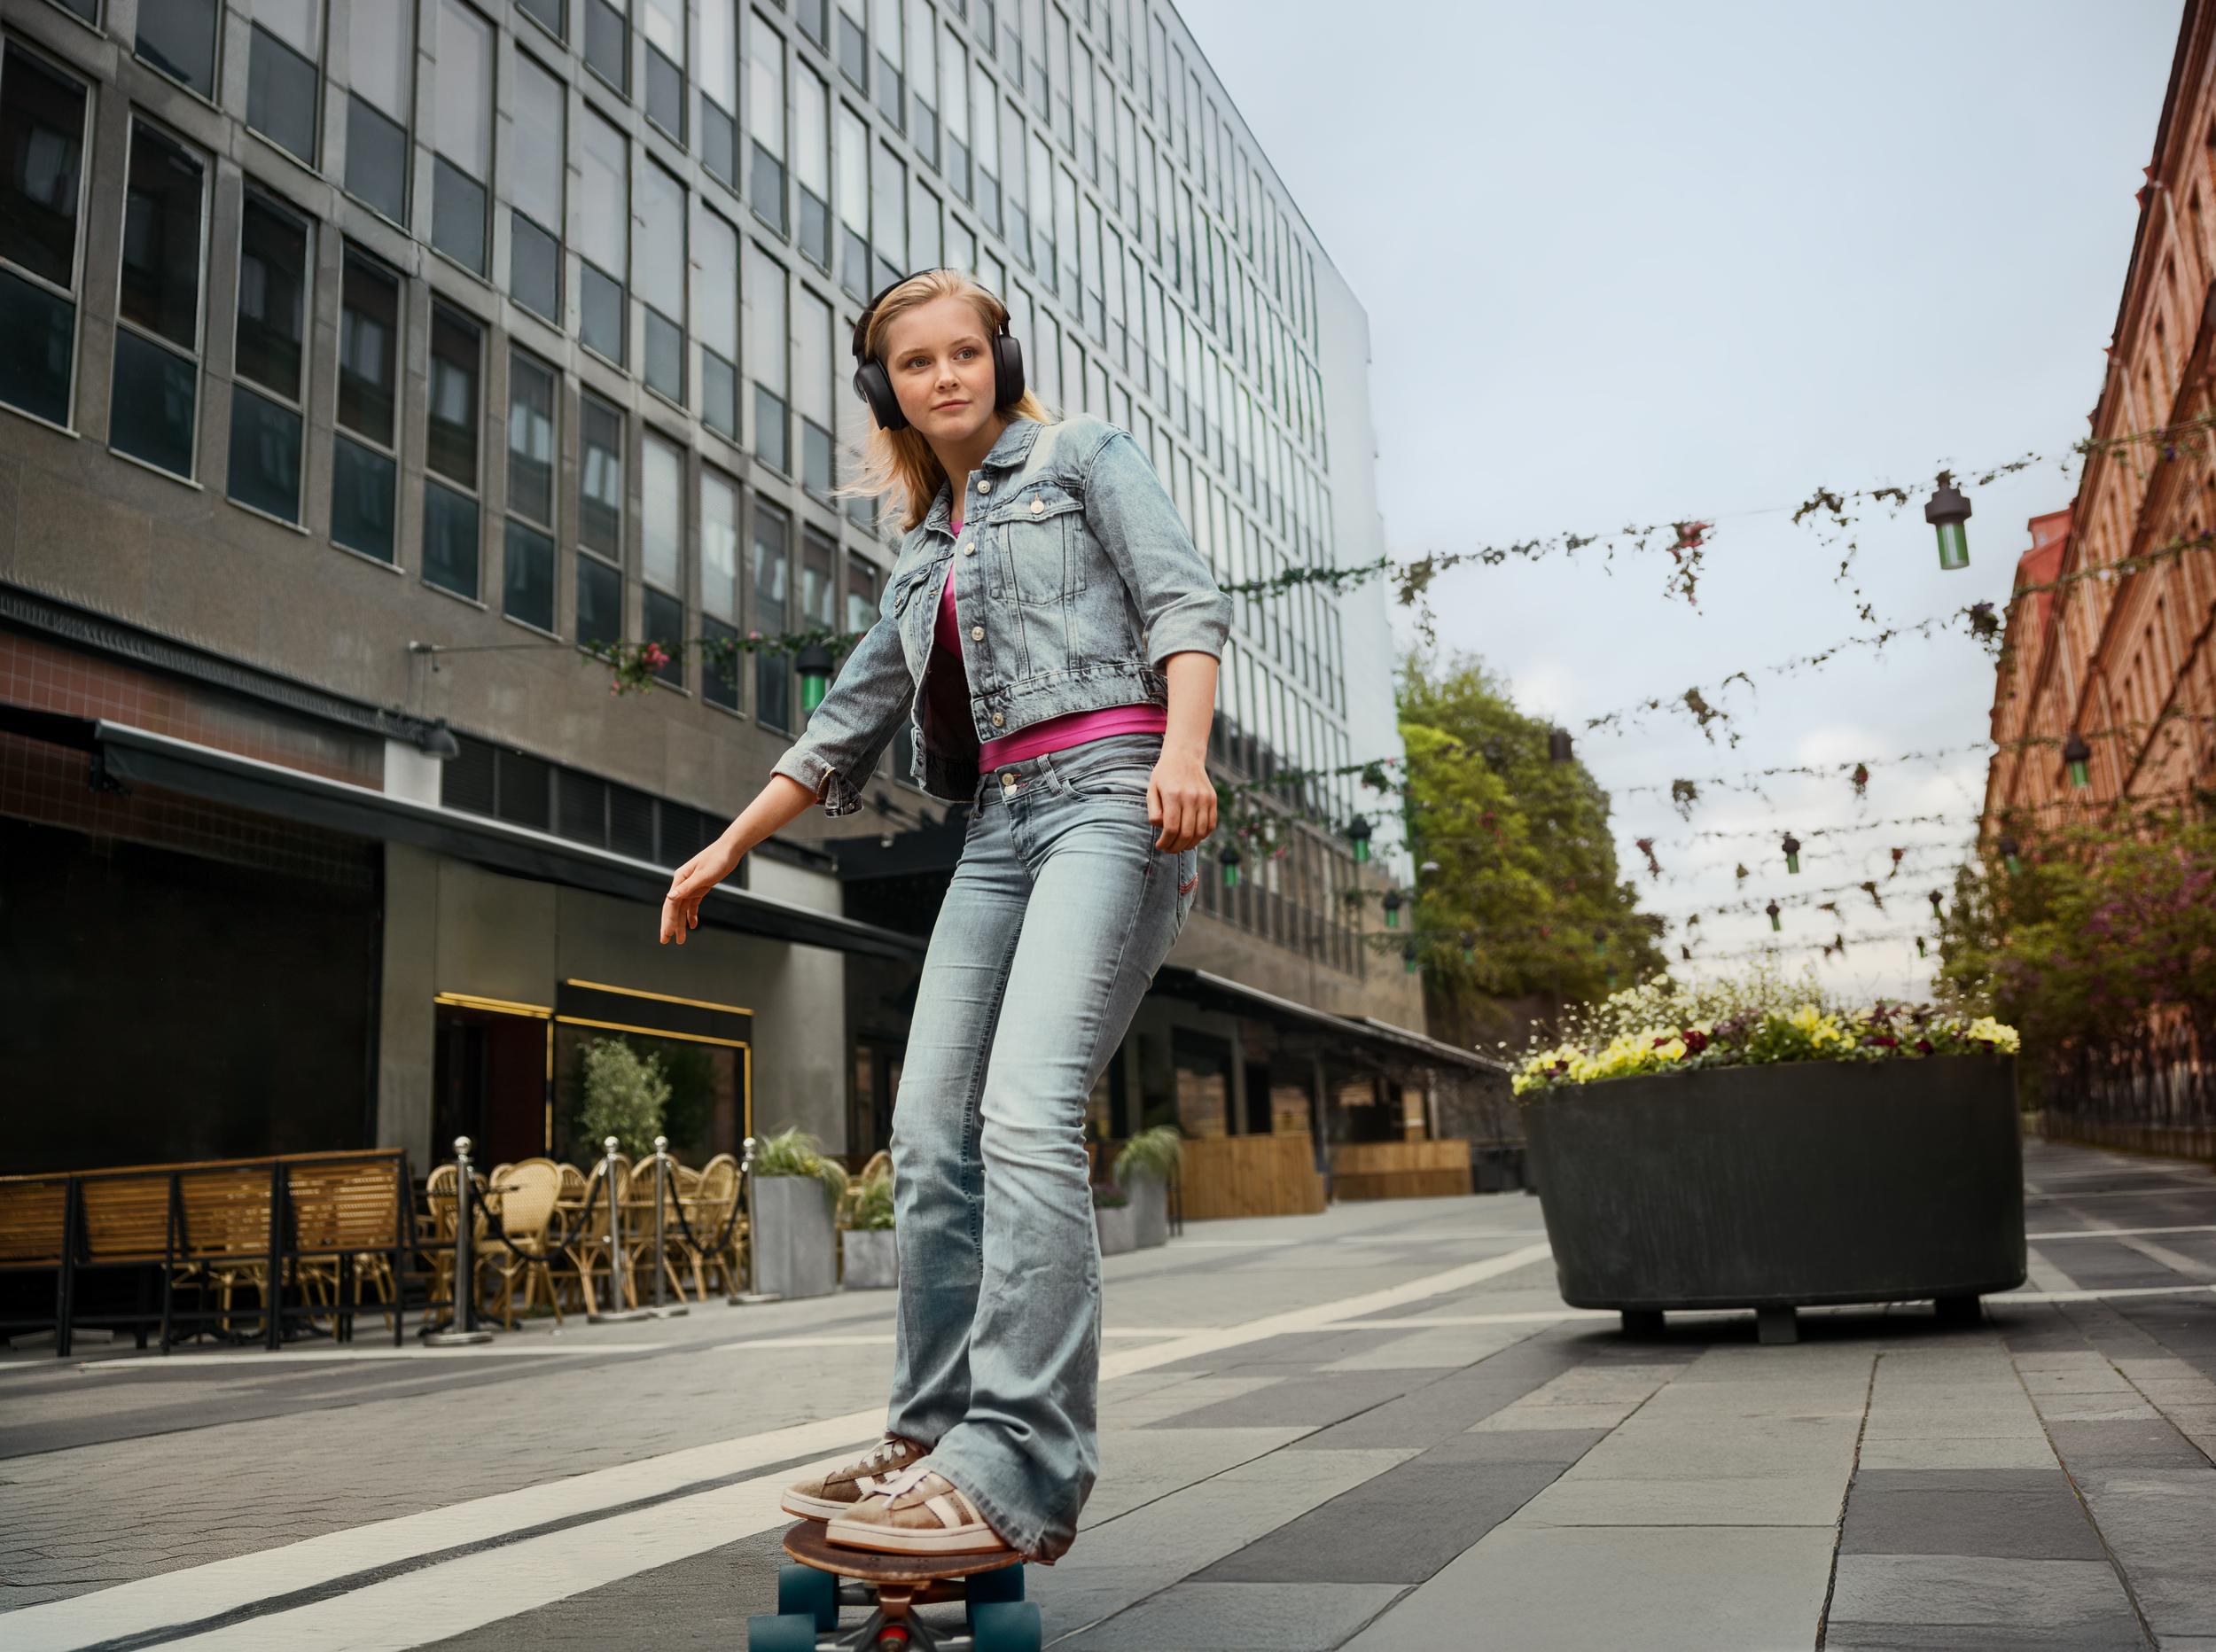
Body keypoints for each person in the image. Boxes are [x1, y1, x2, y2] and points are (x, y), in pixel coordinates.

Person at [657, 269, 1230, 1567]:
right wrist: (725, 847)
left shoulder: (1083, 456)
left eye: (964, 352)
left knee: (1024, 1114)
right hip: (997, 830)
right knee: (926, 1132)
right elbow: (846, 720)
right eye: (916, 364)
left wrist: (1181, 756)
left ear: (998, 358)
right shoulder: (925, 551)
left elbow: (1183, 605)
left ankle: (1022, 1462)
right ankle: (927, 1439)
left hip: (1113, 797)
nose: (946, 377)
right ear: (888, 390)